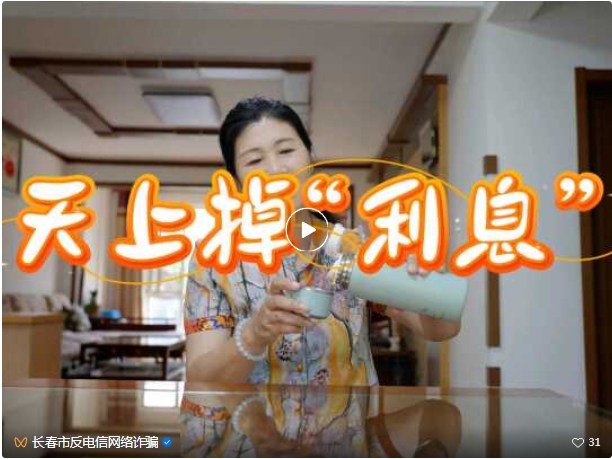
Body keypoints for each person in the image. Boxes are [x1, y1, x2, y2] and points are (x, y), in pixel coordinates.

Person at [184, 97, 460, 385]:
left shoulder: (352, 247)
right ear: (236, 181)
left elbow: (441, 330)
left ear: (311, 158)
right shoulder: (213, 260)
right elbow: (200, 377)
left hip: (354, 416)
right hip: (249, 416)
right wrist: (254, 334)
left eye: (286, 150)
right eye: (254, 160)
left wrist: (429, 289)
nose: (275, 169)